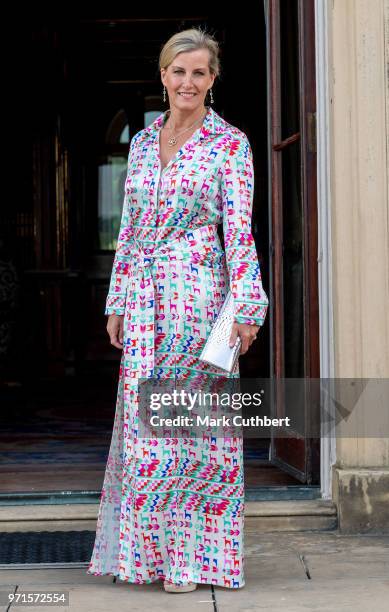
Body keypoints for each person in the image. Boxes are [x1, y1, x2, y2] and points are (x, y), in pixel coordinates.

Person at [87, 27, 269, 593]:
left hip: (199, 294)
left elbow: (239, 234)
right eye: (178, 70)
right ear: (163, 76)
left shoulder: (229, 144)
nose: (187, 81)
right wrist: (117, 300)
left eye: (199, 72)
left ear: (212, 81)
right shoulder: (142, 144)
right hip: (144, 301)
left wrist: (247, 309)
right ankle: (146, 557)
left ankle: (191, 562)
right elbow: (130, 228)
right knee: (147, 429)